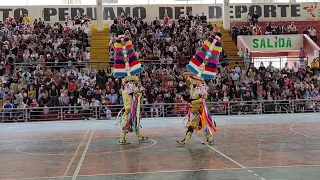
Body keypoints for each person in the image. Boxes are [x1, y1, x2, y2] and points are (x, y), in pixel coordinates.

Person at [177, 35, 222, 146]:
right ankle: (208, 139)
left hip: (197, 106)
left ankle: (187, 141)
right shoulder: (198, 84)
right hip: (198, 105)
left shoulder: (200, 84)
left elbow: (201, 96)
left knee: (193, 124)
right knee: (200, 123)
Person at [114, 35, 148, 144]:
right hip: (130, 106)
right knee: (128, 120)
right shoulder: (126, 86)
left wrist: (139, 92)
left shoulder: (133, 81)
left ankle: (139, 136)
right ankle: (121, 138)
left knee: (136, 119)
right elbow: (130, 94)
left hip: (135, 104)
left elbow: (139, 89)